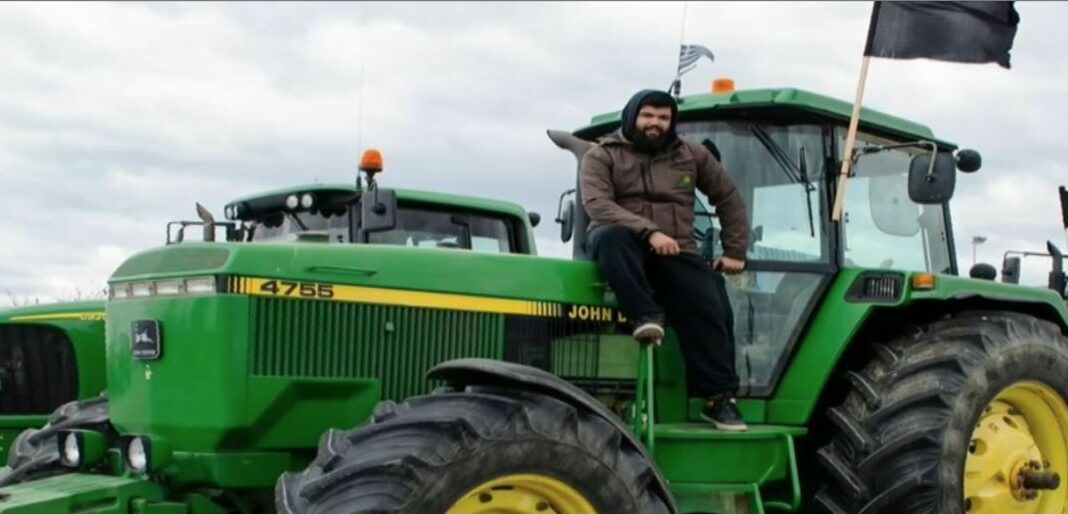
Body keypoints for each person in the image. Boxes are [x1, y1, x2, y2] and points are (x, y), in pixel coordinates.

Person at [580, 89, 749, 431]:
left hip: (676, 249)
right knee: (610, 237)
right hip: (622, 243)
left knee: (708, 297)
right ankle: (643, 317)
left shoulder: (692, 155)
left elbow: (728, 197)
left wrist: (734, 251)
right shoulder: (601, 155)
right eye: (648, 116)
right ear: (632, 117)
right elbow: (597, 204)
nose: (655, 123)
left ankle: (718, 398)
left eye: (663, 117)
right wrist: (650, 232)